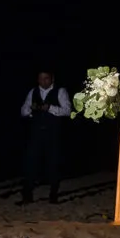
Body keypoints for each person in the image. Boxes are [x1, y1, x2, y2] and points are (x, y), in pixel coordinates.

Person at [19, 70, 71, 204]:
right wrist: (31, 108)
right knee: (30, 163)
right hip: (35, 133)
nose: (43, 82)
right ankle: (27, 195)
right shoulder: (33, 92)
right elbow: (23, 111)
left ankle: (53, 194)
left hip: (53, 133)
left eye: (46, 78)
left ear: (52, 79)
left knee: (53, 163)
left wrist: (50, 108)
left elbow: (67, 111)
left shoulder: (60, 91)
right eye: (41, 79)